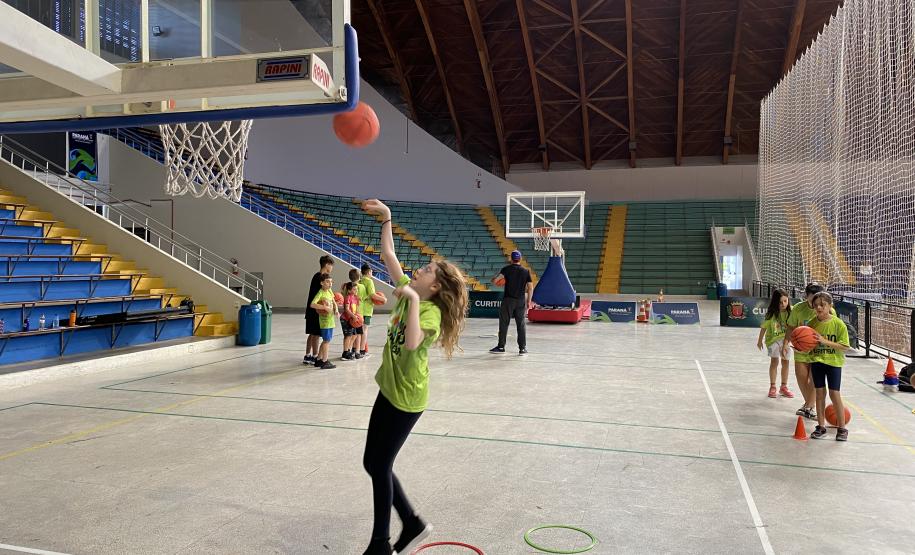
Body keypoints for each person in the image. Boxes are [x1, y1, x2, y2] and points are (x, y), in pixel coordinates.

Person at [359, 198, 469, 555]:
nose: (417, 271)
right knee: (371, 463)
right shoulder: (411, 291)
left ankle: (381, 543)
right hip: (388, 389)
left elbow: (411, 344)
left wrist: (410, 299)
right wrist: (387, 218)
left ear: (434, 288)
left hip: (406, 400)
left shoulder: (431, 312)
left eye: (424, 271)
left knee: (380, 466)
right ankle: (412, 521)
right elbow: (389, 253)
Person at [783, 282, 835, 419]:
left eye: (818, 300)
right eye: (812, 299)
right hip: (800, 349)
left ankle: (810, 407)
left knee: (814, 380)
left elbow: (834, 329)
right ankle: (810, 405)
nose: (816, 303)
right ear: (806, 296)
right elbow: (790, 327)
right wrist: (785, 343)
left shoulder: (828, 310)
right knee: (801, 379)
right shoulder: (798, 309)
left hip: (818, 351)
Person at [807, 292, 851, 441]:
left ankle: (842, 428)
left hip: (833, 363)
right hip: (817, 361)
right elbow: (809, 344)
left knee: (834, 394)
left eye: (822, 305)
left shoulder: (838, 324)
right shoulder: (812, 323)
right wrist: (802, 346)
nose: (818, 307)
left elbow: (844, 346)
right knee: (819, 394)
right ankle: (821, 426)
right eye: (816, 305)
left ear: (830, 306)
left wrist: (824, 341)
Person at [490, 250, 532, 355]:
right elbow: (530, 288)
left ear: (511, 259)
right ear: (520, 259)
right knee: (521, 325)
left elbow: (496, 281)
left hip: (508, 300)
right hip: (521, 300)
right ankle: (522, 348)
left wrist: (495, 279)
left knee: (504, 323)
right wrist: (529, 301)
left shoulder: (506, 269)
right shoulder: (526, 271)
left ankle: (501, 347)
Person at [757, 289, 794, 399]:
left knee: (786, 362)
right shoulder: (771, 313)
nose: (783, 304)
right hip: (772, 340)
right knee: (774, 362)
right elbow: (763, 328)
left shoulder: (791, 312)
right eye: (780, 302)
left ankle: (784, 387)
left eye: (785, 301)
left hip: (786, 339)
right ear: (775, 302)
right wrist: (759, 341)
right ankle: (772, 386)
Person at [305, 255, 334, 365]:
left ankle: (308, 355)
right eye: (331, 265)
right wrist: (325, 306)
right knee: (316, 334)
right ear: (327, 265)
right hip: (315, 310)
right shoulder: (320, 278)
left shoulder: (317, 276)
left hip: (312, 310)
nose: (331, 268)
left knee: (312, 334)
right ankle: (316, 356)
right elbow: (320, 298)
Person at [309, 273, 338, 369]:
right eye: (327, 282)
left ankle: (319, 359)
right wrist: (324, 307)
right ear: (322, 283)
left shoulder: (329, 291)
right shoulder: (320, 293)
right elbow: (312, 304)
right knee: (326, 341)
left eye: (331, 282)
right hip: (325, 322)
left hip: (331, 321)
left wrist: (336, 310)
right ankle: (325, 361)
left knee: (327, 340)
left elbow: (334, 302)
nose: (330, 284)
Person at [340, 281, 362, 361]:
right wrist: (353, 316)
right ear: (349, 290)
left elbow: (355, 309)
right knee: (348, 336)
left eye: (357, 289)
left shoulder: (355, 298)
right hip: (345, 319)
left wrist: (358, 317)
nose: (356, 291)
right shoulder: (348, 297)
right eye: (354, 289)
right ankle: (345, 353)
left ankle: (348, 350)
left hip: (352, 320)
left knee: (354, 335)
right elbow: (346, 309)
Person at [359, 263, 376, 358]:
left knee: (359, 330)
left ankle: (357, 349)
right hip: (367, 310)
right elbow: (372, 295)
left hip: (359, 308)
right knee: (365, 330)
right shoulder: (369, 281)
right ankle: (362, 350)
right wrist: (383, 299)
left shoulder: (360, 281)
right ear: (369, 272)